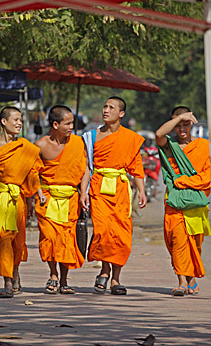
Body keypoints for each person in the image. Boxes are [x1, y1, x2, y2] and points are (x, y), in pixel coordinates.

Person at [155, 106, 211, 296]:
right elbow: (159, 133)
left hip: (195, 203)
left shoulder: (204, 146)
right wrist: (180, 118)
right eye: (178, 125)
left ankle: (191, 276)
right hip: (174, 202)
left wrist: (185, 181)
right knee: (177, 242)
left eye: (186, 124)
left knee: (195, 244)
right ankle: (181, 281)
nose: (182, 129)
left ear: (192, 124)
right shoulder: (169, 145)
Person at [80, 96, 147, 295]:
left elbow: (137, 167)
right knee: (103, 231)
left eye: (111, 107)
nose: (106, 110)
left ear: (121, 113)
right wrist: (83, 191)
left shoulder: (131, 138)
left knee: (121, 234)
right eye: (105, 106)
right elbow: (86, 166)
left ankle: (115, 278)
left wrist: (141, 191)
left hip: (120, 189)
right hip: (98, 187)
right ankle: (105, 269)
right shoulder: (91, 137)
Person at [0, 106, 45, 298]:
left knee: (17, 241)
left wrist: (38, 193)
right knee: (3, 240)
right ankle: (7, 280)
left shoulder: (25, 147)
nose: (19, 123)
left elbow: (32, 172)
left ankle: (15, 272)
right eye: (15, 119)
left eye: (20, 120)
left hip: (18, 200)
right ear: (3, 122)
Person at [34, 106, 87, 294]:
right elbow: (32, 173)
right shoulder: (40, 145)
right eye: (68, 123)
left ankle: (64, 280)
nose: (72, 126)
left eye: (73, 123)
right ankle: (53, 275)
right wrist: (38, 192)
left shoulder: (78, 143)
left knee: (67, 240)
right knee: (49, 238)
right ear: (55, 124)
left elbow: (85, 169)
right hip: (47, 199)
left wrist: (83, 193)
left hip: (70, 198)